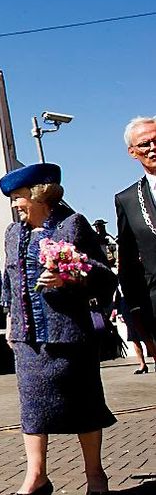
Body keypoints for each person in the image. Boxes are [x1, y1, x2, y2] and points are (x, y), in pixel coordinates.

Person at [0, 163, 116, 495]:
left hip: (69, 335)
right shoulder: (12, 233)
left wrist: (69, 277)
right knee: (32, 408)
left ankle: (95, 474)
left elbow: (104, 275)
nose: (14, 205)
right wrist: (10, 321)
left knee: (85, 405)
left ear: (39, 195)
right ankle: (36, 476)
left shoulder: (72, 225)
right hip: (28, 338)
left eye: (19, 197)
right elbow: (10, 281)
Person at [115, 116, 156, 373]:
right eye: (145, 144)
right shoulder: (128, 200)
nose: (153, 148)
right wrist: (136, 311)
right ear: (133, 152)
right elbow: (128, 260)